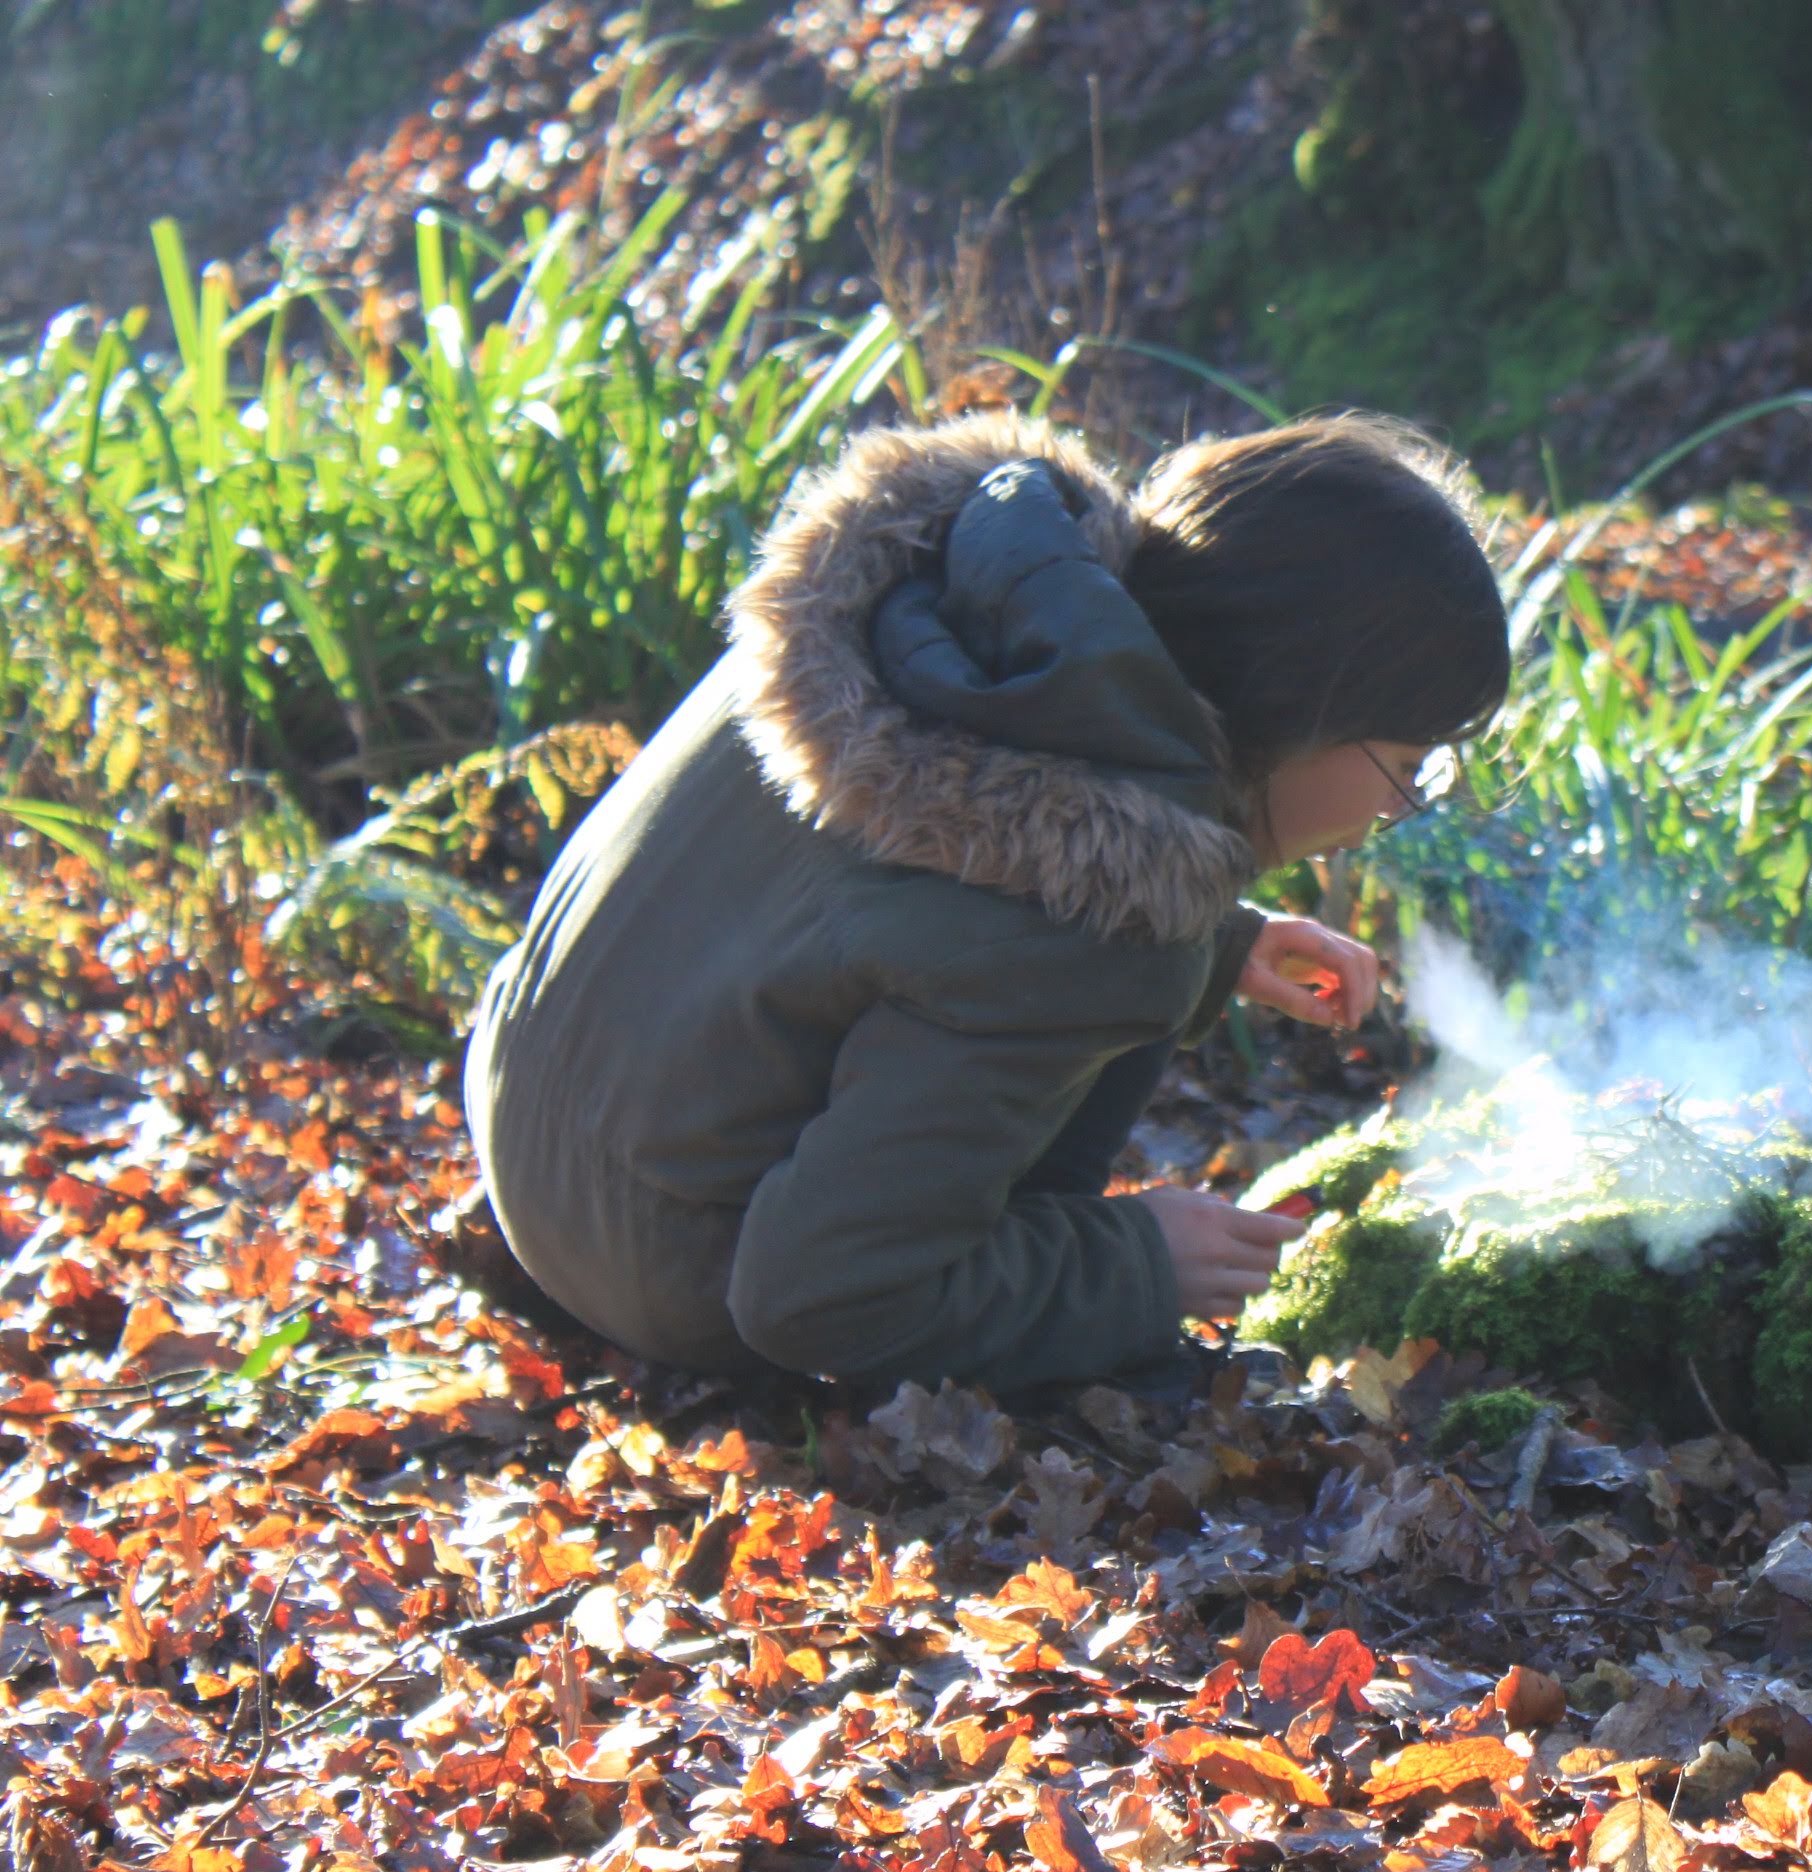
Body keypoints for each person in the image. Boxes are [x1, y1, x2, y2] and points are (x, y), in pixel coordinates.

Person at [465, 409, 1508, 1395]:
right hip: (660, 1259)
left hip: (529, 1107)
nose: (1402, 805)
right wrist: (1137, 1263)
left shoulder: (942, 599)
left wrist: (1218, 943)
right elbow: (818, 1297)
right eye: (1410, 763)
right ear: (1308, 707)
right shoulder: (1097, 910)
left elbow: (900, 906)